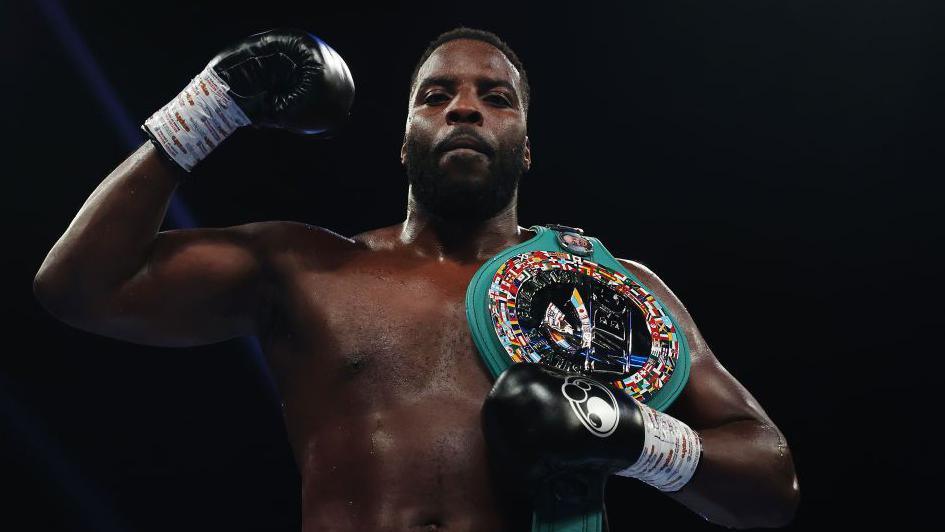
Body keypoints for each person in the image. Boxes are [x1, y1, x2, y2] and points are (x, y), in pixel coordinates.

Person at [33, 27, 799, 531]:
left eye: (495, 99)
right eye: (435, 96)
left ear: (524, 147)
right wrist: (212, 106)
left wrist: (630, 433)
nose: (464, 108)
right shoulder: (307, 267)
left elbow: (769, 479)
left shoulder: (607, 292)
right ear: (403, 143)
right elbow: (79, 287)